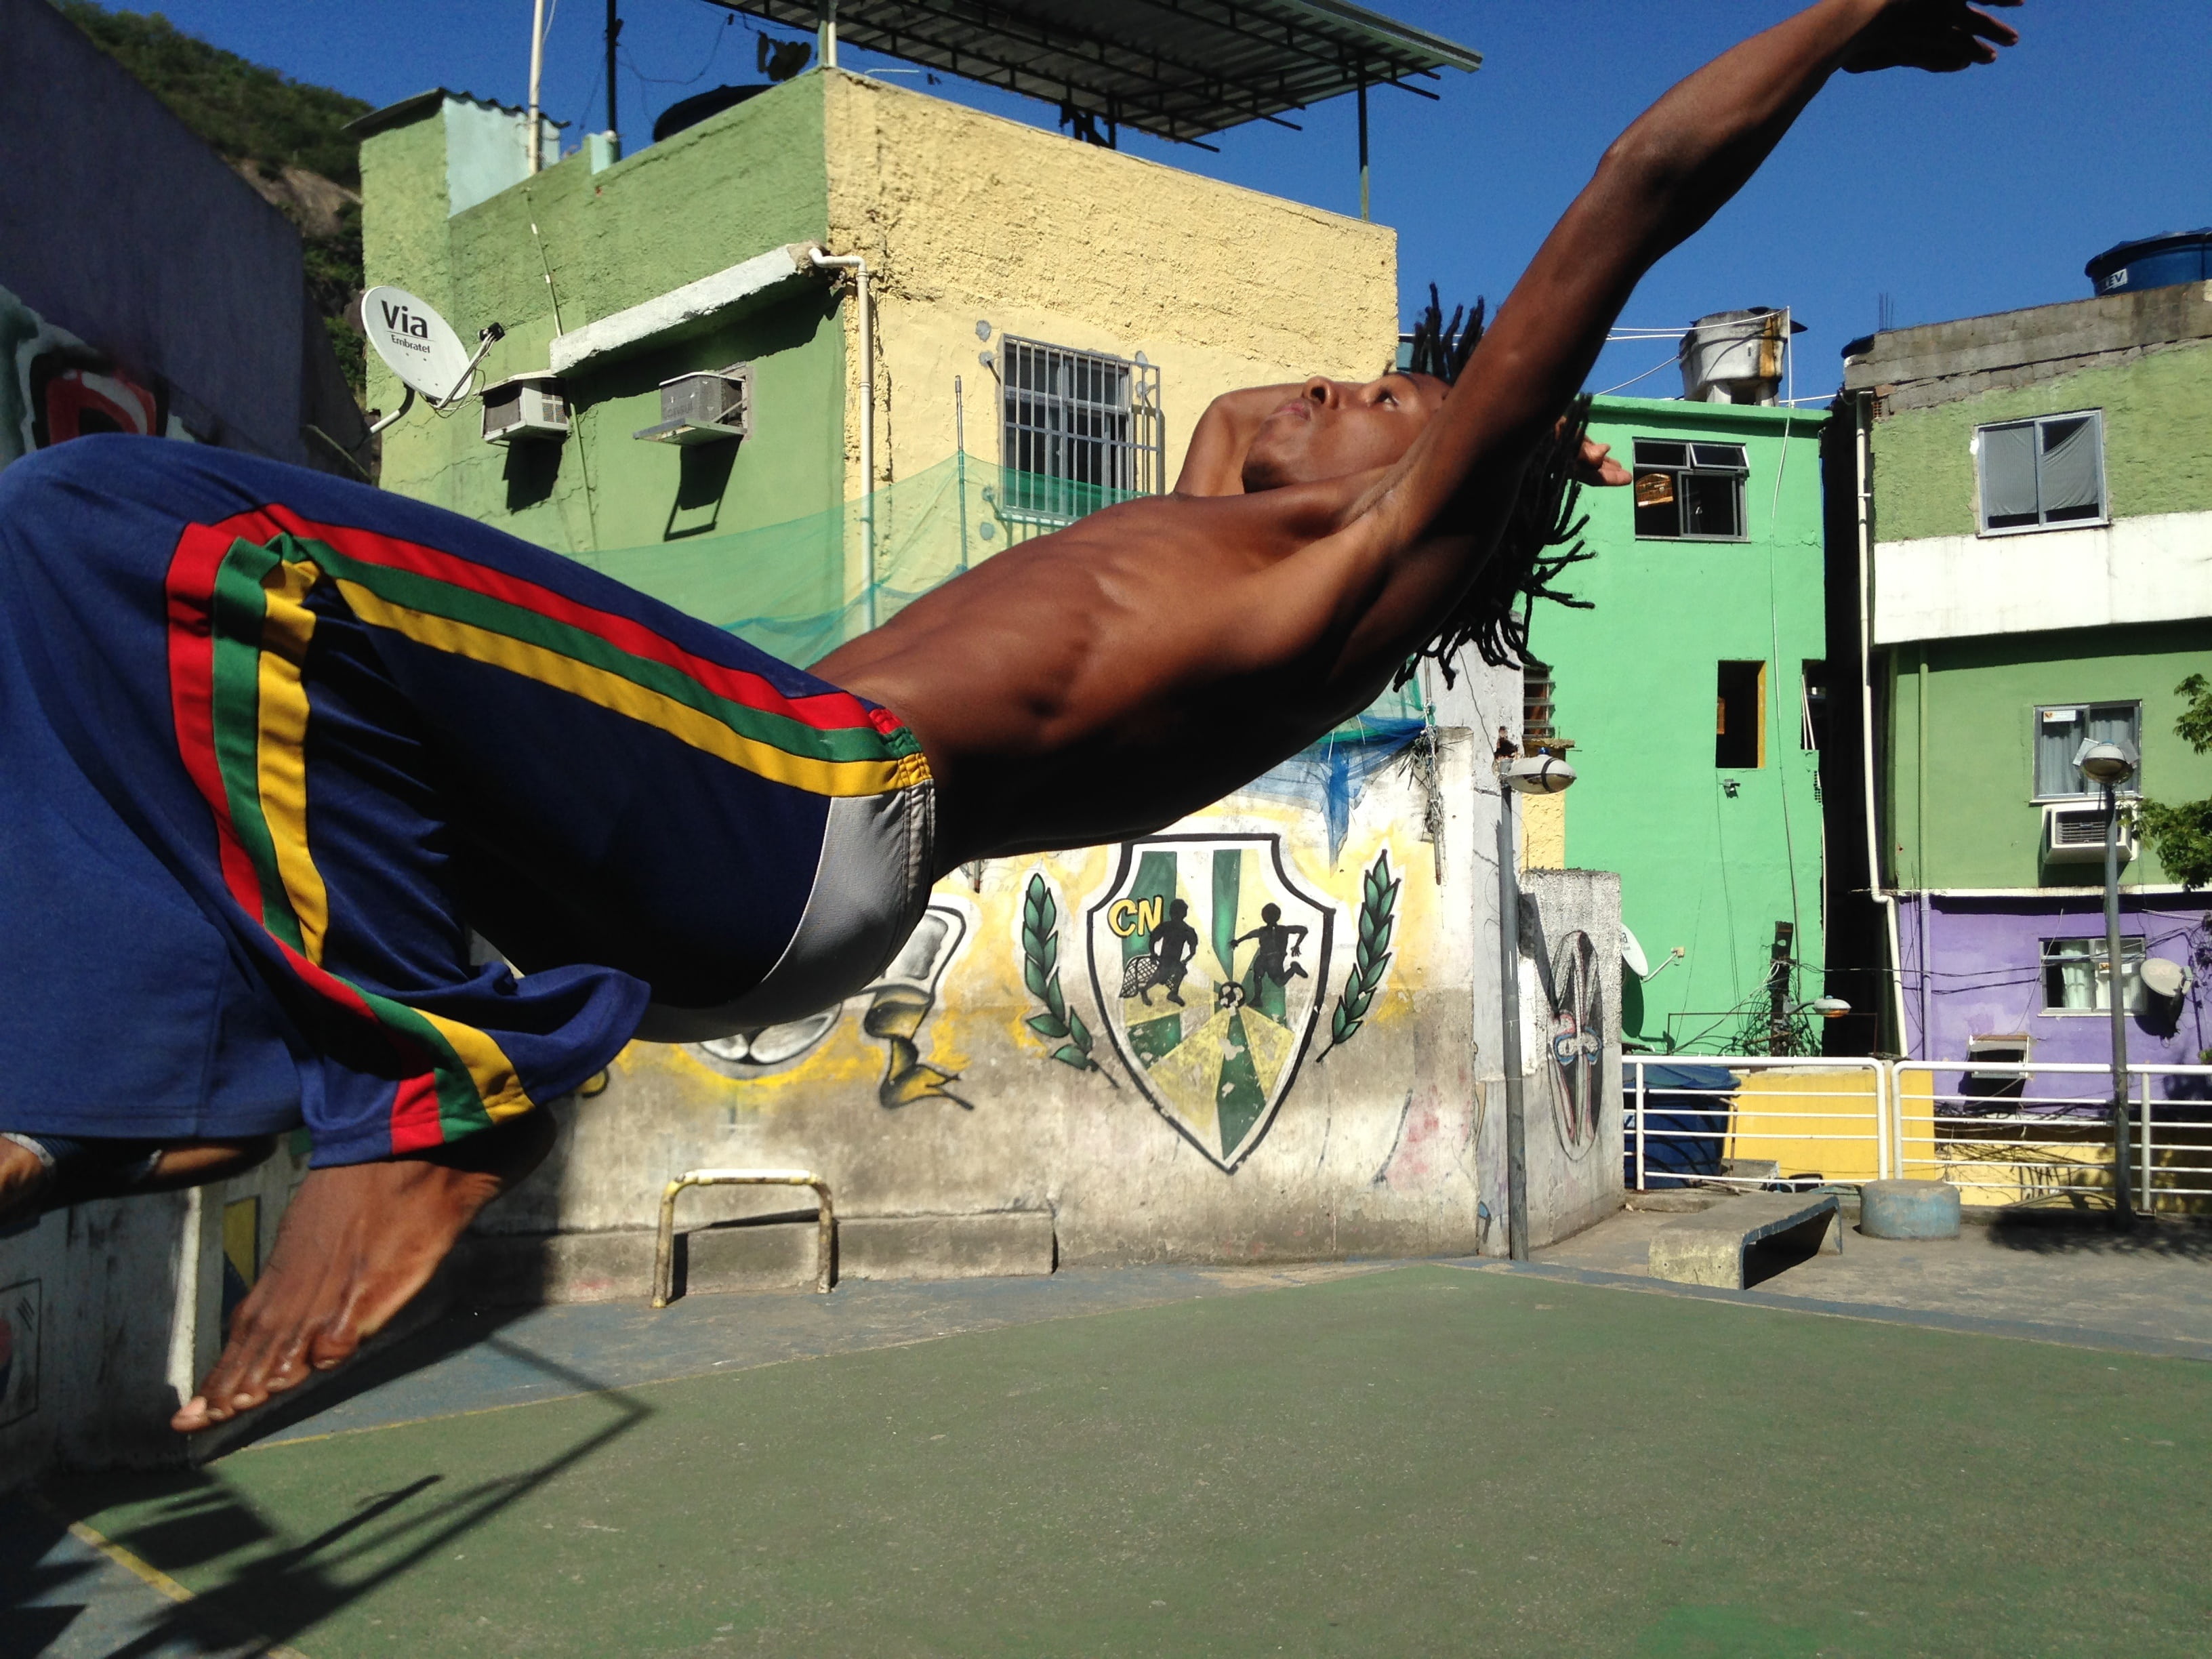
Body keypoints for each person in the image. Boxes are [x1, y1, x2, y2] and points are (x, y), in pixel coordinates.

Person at [0, 0, 2018, 1433]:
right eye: (1334, 380)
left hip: (804, 798)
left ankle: (414, 1090)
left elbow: (1637, 180)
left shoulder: (1366, 562)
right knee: (142, 654)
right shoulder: (1195, 566)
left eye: (1378, 405)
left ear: (1439, 494)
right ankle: (137, 1087)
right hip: (728, 881)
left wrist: (1841, 17)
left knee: (150, 525)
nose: (1320, 398)